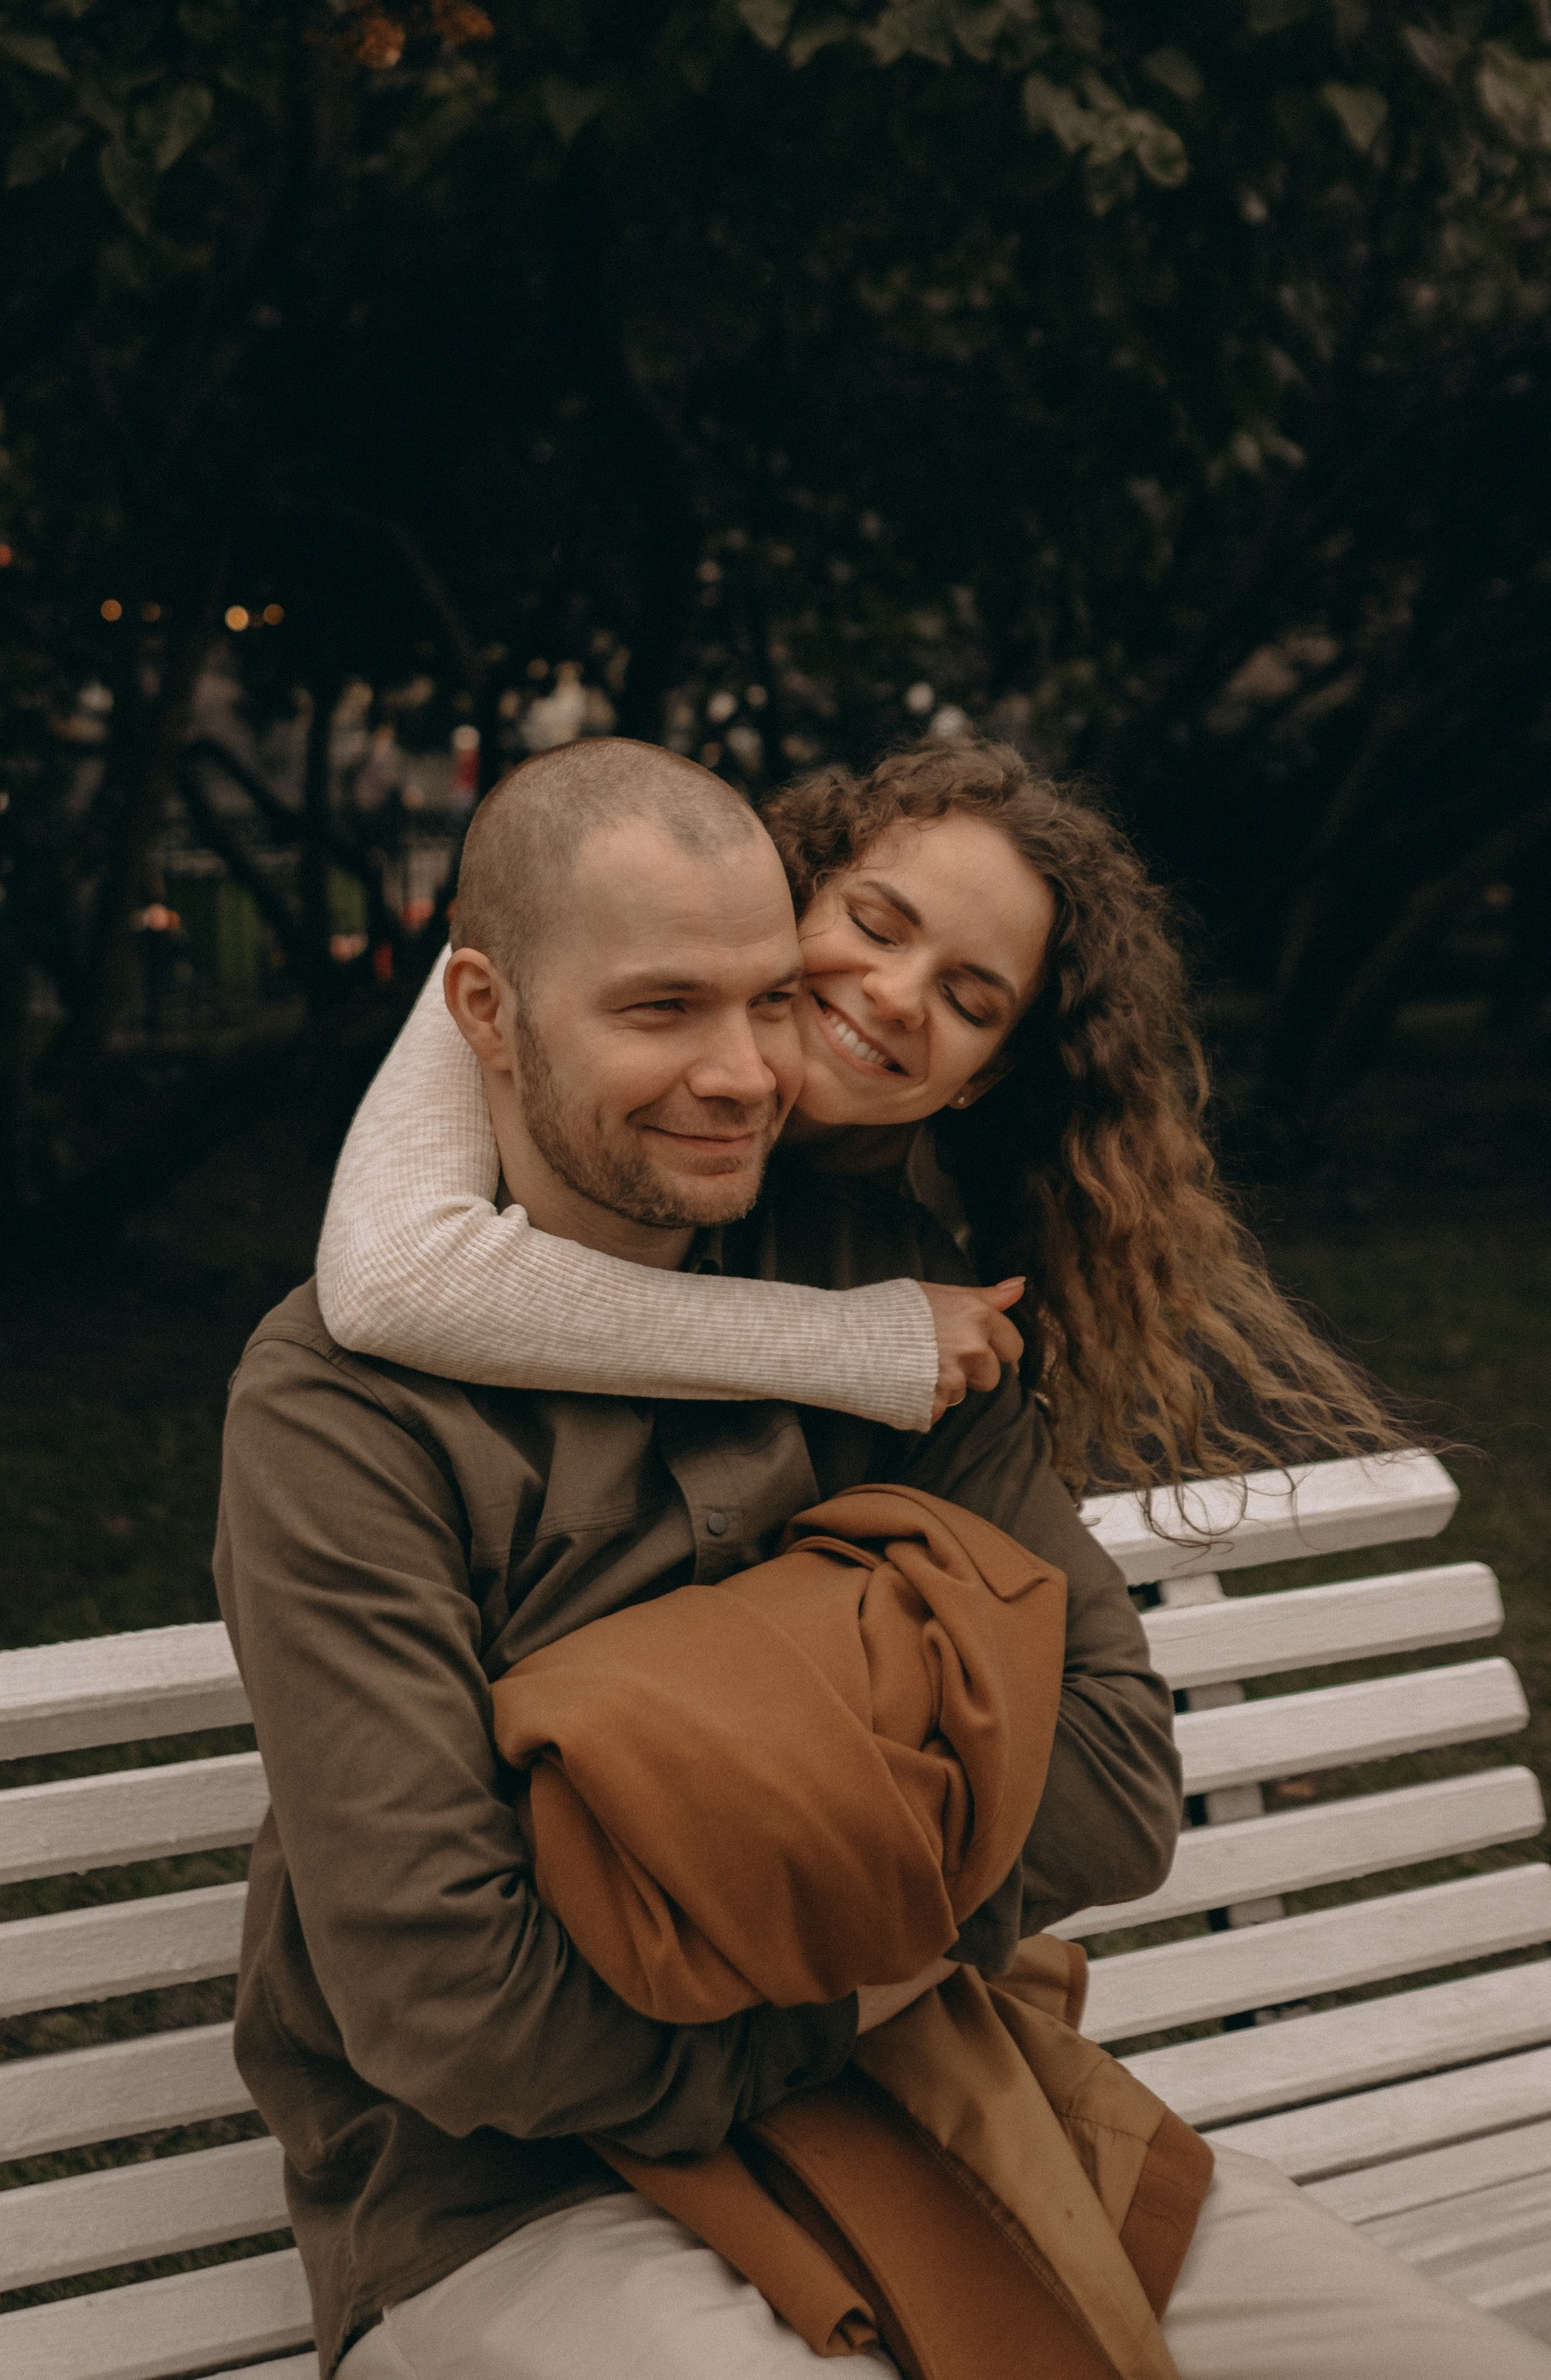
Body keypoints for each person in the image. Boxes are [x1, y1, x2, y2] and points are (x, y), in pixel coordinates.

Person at [214, 739, 1547, 2376]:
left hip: (939, 2100)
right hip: (507, 2200)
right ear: (486, 1014)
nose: (741, 1072)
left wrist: (668, 1810)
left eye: (768, 1000)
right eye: (660, 1010)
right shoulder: (347, 1409)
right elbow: (459, 2015)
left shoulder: (899, 1302)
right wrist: (871, 1893)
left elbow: (1113, 1787)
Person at [316, 734, 1408, 1497]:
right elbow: (392, 1280)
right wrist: (857, 1342)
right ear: (796, 888)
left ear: (984, 1072)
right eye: (877, 928)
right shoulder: (580, 943)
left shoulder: (929, 1229)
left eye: (967, 999)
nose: (892, 995)